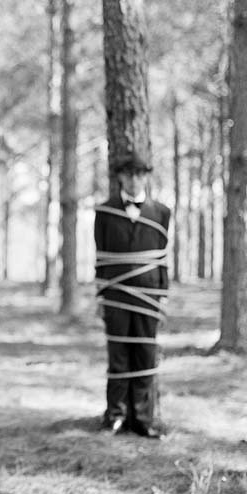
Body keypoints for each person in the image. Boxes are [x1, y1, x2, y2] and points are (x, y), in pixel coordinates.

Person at [93, 154, 171, 438]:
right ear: (120, 178)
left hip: (149, 297)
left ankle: (143, 419)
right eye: (129, 174)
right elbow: (100, 257)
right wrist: (101, 295)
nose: (134, 180)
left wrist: (162, 299)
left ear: (146, 177)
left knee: (146, 356)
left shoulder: (162, 212)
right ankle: (115, 415)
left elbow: (162, 259)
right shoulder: (104, 212)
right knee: (118, 356)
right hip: (116, 295)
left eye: (139, 174)